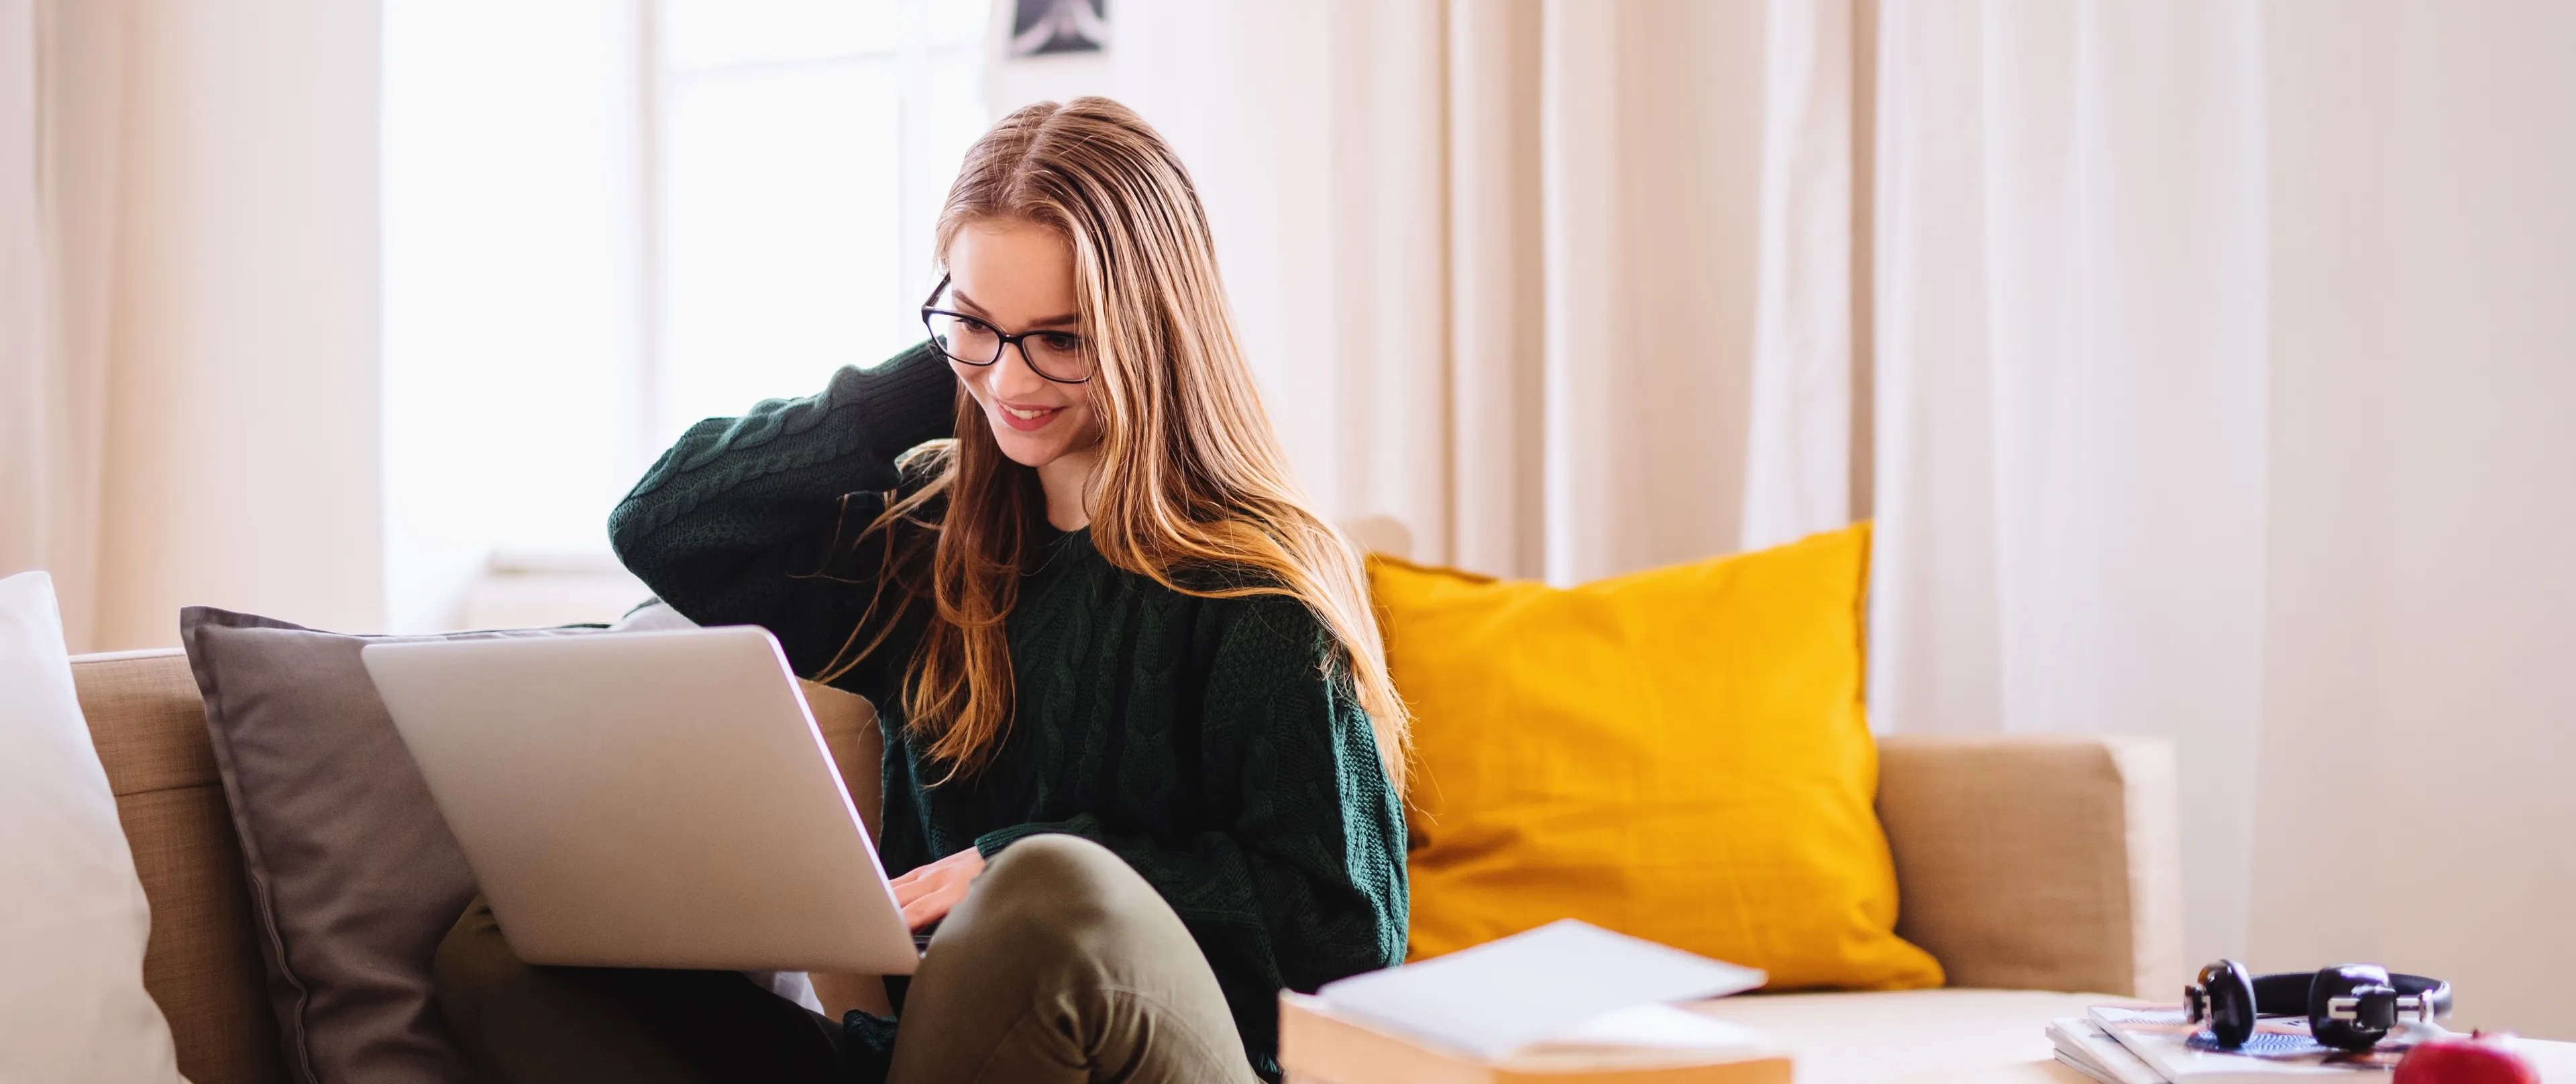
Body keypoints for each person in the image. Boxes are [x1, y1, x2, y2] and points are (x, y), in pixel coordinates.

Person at [431, 97, 1410, 1084]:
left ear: (1149, 333)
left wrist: (1019, 860)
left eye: (1061, 340)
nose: (1011, 380)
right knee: (510, 944)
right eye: (975, 325)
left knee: (1044, 894)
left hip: (1158, 1060)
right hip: (926, 1062)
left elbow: (1348, 934)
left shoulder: (1259, 585)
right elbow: (666, 523)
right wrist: (939, 375)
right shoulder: (930, 543)